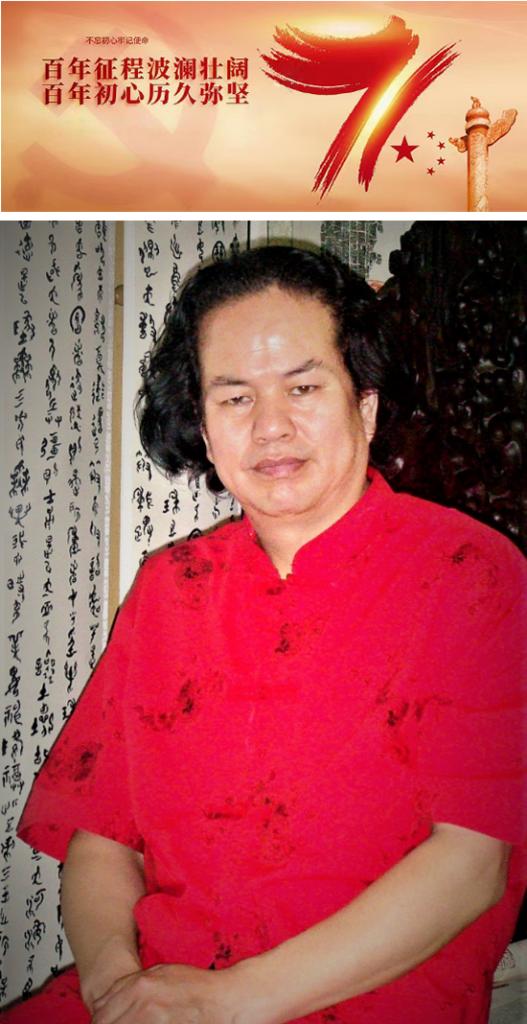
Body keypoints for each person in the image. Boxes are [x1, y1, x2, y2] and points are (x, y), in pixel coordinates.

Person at [3, 246, 526, 1024]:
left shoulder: (468, 572)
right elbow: (102, 837)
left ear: (364, 407)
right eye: (235, 397)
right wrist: (117, 991)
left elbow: (472, 861)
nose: (271, 426)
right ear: (204, 427)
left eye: (303, 388)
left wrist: (226, 1003)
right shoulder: (169, 589)